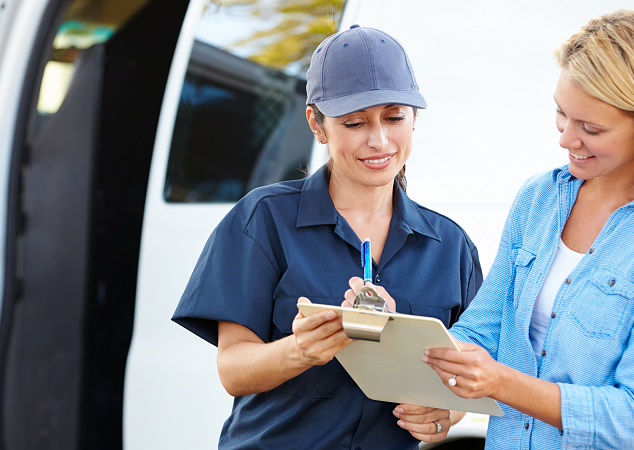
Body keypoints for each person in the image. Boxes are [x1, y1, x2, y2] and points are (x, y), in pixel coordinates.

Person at [347, 9, 634, 449]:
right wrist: (414, 348)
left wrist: (499, 383)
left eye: (592, 128)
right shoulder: (540, 198)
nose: (566, 138)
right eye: (562, 114)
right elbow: (483, 332)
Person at [172, 25, 483, 449]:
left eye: (394, 117)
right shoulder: (264, 219)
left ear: (415, 118)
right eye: (354, 122)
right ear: (316, 124)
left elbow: (470, 373)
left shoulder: (451, 248)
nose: (379, 140)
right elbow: (232, 369)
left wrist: (443, 412)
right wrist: (301, 349)